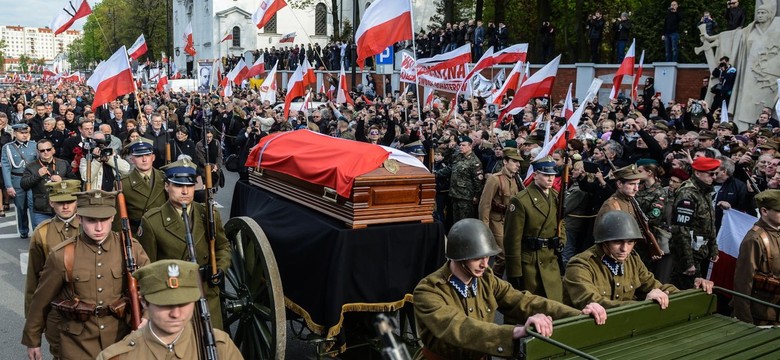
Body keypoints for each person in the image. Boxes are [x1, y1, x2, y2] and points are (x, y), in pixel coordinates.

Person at [413, 219, 607, 360]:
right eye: (477, 258)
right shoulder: (429, 291)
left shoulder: (486, 279)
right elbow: (459, 327)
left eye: (487, 257)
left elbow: (522, 301)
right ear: (457, 257)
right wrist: (516, 331)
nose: (484, 264)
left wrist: (578, 315)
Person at [22, 189, 150, 360]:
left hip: (121, 336)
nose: (99, 227)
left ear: (112, 217)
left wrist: (147, 318)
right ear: (79, 218)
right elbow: (41, 301)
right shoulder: (63, 255)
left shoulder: (130, 249)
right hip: (77, 342)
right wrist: (33, 340)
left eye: (104, 219)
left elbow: (152, 286)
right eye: (91, 220)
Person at [136, 158, 232, 330]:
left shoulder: (208, 214)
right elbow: (148, 268)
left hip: (207, 294)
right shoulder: (152, 221)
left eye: (189, 185)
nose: (185, 191)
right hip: (174, 300)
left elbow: (223, 247)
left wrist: (220, 268)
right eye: (178, 185)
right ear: (167, 186)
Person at [95, 259, 243, 359]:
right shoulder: (117, 357)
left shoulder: (221, 346)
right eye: (165, 305)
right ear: (144, 303)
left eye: (184, 303)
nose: (176, 314)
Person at [564, 211, 713, 309]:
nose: (625, 249)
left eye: (630, 242)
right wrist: (643, 304)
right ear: (604, 242)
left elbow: (654, 286)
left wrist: (692, 293)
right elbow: (594, 302)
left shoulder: (632, 260)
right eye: (618, 242)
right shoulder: (581, 265)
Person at [23, 179, 81, 360]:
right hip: (57, 309)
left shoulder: (90, 226)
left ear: (77, 201)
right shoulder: (42, 233)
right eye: (60, 202)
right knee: (60, 353)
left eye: (70, 201)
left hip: (87, 308)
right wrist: (33, 328)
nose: (65, 207)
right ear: (51, 202)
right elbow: (34, 282)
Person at [504, 156, 565, 302]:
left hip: (550, 258)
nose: (550, 179)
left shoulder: (556, 197)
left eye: (552, 175)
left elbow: (561, 222)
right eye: (545, 175)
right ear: (535, 174)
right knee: (531, 307)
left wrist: (561, 239)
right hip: (530, 262)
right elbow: (512, 240)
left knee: (555, 306)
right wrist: (514, 272)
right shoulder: (521, 201)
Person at [670, 157, 721, 289]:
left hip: (700, 251)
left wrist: (713, 248)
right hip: (687, 254)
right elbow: (681, 230)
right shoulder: (687, 193)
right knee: (687, 291)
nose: (714, 177)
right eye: (711, 174)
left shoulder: (705, 191)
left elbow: (710, 222)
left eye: (716, 173)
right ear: (698, 173)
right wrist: (688, 262)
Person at [733, 190, 780, 325]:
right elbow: (742, 283)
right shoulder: (754, 240)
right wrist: (745, 323)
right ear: (764, 211)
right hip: (761, 316)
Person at [478, 147, 523, 277]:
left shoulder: (516, 179)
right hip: (497, 221)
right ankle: (491, 281)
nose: (518, 165)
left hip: (511, 222)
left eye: (518, 162)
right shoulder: (495, 179)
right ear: (505, 162)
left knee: (511, 255)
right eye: (514, 161)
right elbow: (485, 204)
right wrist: (484, 228)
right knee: (502, 255)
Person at [113, 138, 167, 234]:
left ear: (153, 157)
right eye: (139, 156)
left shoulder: (164, 178)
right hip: (137, 233)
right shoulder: (123, 183)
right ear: (132, 159)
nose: (144, 159)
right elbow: (118, 217)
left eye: (147, 155)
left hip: (163, 231)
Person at [20, 139, 75, 229]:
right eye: (42, 150)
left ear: (53, 150)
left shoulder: (63, 163)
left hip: (62, 207)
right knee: (42, 238)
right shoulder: (31, 166)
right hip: (41, 209)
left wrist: (62, 180)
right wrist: (38, 175)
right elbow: (24, 185)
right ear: (38, 152)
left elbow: (75, 182)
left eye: (48, 149)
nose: (46, 152)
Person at [436, 136, 484, 223]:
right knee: (455, 220)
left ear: (470, 146)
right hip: (454, 194)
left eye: (463, 145)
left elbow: (478, 181)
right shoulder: (458, 157)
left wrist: (476, 196)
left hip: (466, 197)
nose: (461, 147)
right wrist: (436, 174)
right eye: (460, 145)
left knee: (465, 222)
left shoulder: (475, 162)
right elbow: (449, 164)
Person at [1, 123, 37, 238]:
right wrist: (9, 186)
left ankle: (36, 231)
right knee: (21, 206)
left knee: (33, 205)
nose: (24, 135)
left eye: (26, 132)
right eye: (21, 133)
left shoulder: (34, 145)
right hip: (17, 179)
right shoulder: (8, 147)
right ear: (15, 133)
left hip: (31, 180)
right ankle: (23, 230)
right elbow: (6, 167)